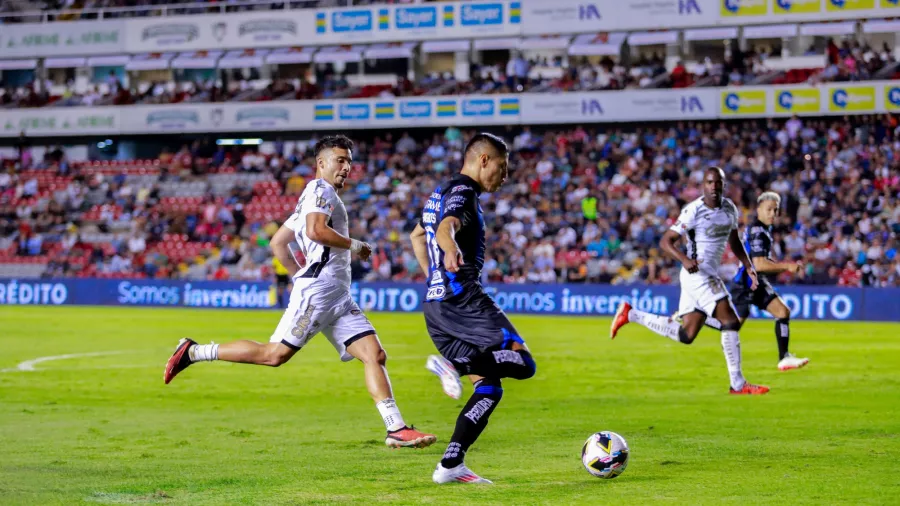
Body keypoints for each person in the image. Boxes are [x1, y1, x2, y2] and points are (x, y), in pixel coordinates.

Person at [164, 135, 436, 449]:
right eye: (340, 160)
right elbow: (314, 231)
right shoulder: (320, 191)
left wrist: (298, 276)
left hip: (335, 295)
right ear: (321, 163)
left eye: (349, 161)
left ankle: (396, 429)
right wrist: (355, 247)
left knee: (374, 355)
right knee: (274, 355)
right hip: (321, 291)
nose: (346, 167)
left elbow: (279, 243)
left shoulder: (312, 197)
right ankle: (194, 351)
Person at [409, 133, 537, 484]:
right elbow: (445, 228)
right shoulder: (464, 192)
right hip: (463, 298)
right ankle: (453, 365)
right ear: (483, 160)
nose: (505, 175)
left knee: (489, 387)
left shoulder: (440, 192)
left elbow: (417, 235)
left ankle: (450, 464)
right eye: (502, 166)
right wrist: (450, 250)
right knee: (524, 363)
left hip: (437, 305)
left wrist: (435, 278)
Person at [610, 167, 769, 395]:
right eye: (709, 182)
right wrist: (684, 259)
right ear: (703, 185)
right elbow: (666, 241)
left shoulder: (729, 209)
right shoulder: (693, 210)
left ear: (723, 185)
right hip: (698, 274)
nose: (714, 187)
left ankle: (631, 314)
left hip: (705, 275)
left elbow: (734, 242)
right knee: (731, 321)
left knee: (687, 335)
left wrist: (748, 266)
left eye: (718, 183)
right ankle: (738, 384)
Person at [704, 192, 809, 371]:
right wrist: (787, 267)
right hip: (744, 284)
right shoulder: (757, 231)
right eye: (768, 209)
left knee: (783, 312)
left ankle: (784, 358)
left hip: (756, 281)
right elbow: (759, 264)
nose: (772, 214)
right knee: (731, 326)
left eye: (775, 210)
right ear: (758, 209)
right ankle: (695, 316)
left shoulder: (763, 230)